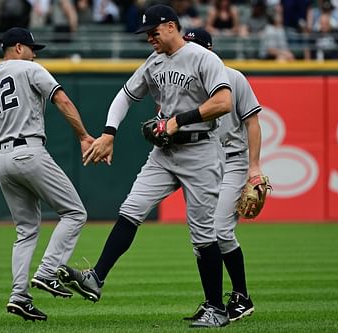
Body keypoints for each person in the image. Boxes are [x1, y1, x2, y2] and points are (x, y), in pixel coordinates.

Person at [57, 4, 233, 328]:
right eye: (146, 34)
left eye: (153, 32)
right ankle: (96, 278)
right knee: (131, 209)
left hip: (201, 151)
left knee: (203, 235)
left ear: (170, 26)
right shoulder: (154, 62)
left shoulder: (203, 58)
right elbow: (124, 96)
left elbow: (223, 102)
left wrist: (179, 120)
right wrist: (109, 133)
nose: (149, 38)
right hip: (165, 152)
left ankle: (216, 308)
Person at [0, 27, 94, 321]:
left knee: (25, 231)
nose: (35, 54)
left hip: (3, 160)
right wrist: (84, 136)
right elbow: (62, 100)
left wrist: (2, 128)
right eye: (33, 48)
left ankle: (19, 296)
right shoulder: (29, 69)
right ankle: (47, 272)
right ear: (19, 47)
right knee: (74, 213)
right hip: (29, 151)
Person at [181, 27, 263, 323]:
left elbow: (252, 123)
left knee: (219, 230)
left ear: (209, 50)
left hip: (232, 159)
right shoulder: (184, 83)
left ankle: (241, 296)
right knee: (201, 235)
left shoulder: (233, 77)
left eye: (196, 48)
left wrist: (254, 167)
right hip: (201, 162)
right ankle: (212, 302)